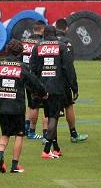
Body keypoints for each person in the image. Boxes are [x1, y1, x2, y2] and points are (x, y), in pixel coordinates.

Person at [0, 39, 48, 174]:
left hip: (3, 106)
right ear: (20, 53)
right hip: (17, 106)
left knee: (5, 134)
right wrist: (43, 93)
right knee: (19, 135)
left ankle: (0, 152)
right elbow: (34, 82)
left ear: (7, 51)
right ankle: (15, 165)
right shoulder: (22, 67)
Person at [30, 25, 77, 159]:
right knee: (53, 117)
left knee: (50, 115)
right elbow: (69, 68)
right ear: (55, 33)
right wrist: (74, 87)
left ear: (44, 34)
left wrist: (35, 88)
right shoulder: (62, 46)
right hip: (57, 86)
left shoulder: (37, 47)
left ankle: (56, 148)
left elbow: (32, 68)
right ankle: (46, 150)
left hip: (42, 87)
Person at [55, 18, 88, 143]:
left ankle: (46, 136)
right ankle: (73, 134)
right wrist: (74, 87)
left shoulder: (46, 42)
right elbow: (69, 66)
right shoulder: (67, 42)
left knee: (49, 109)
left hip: (48, 80)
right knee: (68, 105)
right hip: (63, 81)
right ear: (66, 28)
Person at [22, 20, 47, 140]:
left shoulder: (24, 42)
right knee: (35, 105)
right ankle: (31, 132)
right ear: (42, 30)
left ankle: (26, 128)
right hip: (35, 76)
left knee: (31, 104)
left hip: (23, 75)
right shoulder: (41, 43)